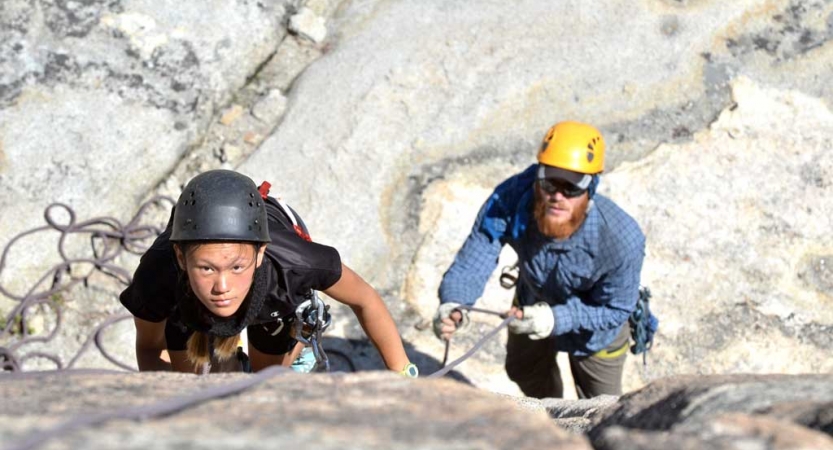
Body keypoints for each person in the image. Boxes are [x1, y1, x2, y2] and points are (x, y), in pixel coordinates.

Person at [120, 169, 417, 376]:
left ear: (261, 253)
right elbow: (148, 349)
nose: (222, 286)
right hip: (187, 305)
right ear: (181, 259)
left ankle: (297, 342)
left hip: (271, 296)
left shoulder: (293, 264)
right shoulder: (158, 275)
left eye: (237, 267)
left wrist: (403, 372)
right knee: (201, 388)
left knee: (265, 380)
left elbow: (364, 299)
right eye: (207, 268)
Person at [433, 121, 645, 398]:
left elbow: (616, 309)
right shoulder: (511, 198)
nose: (557, 196)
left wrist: (556, 318)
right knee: (524, 370)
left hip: (596, 330)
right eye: (549, 182)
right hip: (531, 300)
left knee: (599, 405)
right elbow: (481, 248)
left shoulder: (619, 237)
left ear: (590, 188)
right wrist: (455, 302)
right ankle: (549, 424)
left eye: (571, 187)